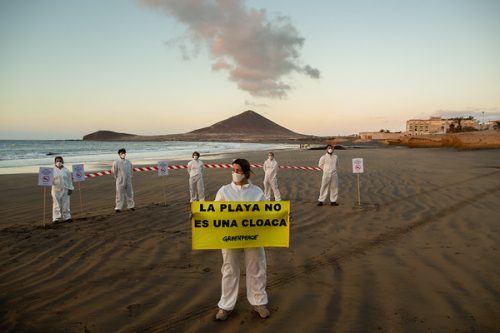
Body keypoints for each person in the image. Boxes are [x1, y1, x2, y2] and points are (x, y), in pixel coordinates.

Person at [214, 158, 270, 321]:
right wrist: (197, 216)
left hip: (254, 237)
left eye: (238, 171)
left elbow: (268, 213)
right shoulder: (224, 191)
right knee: (229, 270)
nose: (235, 173)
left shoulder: (257, 192)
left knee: (257, 268)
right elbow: (214, 213)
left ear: (246, 172)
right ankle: (225, 306)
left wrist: (284, 216)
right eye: (233, 170)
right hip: (230, 237)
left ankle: (259, 302)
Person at [51, 156, 74, 223]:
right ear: (55, 162)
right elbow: (49, 180)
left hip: (66, 189)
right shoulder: (52, 170)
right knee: (56, 204)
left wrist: (71, 188)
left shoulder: (66, 170)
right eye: (57, 161)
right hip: (55, 190)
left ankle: (67, 217)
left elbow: (69, 180)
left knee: (66, 204)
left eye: (60, 161)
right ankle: (56, 218)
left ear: (62, 162)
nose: (59, 162)